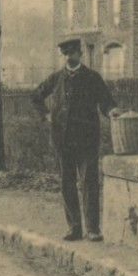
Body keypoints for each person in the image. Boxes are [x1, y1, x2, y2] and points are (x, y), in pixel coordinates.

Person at [31, 37, 118, 242]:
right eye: (66, 54)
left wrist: (112, 111)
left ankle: (93, 229)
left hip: (87, 139)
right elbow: (35, 96)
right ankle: (74, 228)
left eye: (73, 53)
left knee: (89, 182)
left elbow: (106, 102)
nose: (69, 57)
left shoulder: (92, 78)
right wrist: (46, 115)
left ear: (80, 53)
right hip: (63, 140)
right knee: (67, 182)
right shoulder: (56, 79)